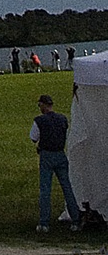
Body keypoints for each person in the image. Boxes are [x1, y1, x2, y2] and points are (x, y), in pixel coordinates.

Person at [31, 93, 81, 233]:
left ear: (43, 105)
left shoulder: (39, 120)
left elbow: (33, 137)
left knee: (45, 189)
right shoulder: (63, 119)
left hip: (46, 155)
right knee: (67, 187)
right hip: (60, 154)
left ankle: (44, 223)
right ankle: (76, 220)